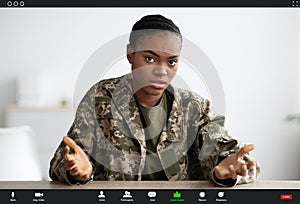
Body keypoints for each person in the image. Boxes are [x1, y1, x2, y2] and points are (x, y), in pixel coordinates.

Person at [49, 14, 260, 186]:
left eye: (171, 62)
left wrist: (228, 171)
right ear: (130, 54)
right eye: (149, 58)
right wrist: (78, 172)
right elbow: (62, 161)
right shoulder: (101, 98)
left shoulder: (194, 107)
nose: (161, 71)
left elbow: (237, 160)